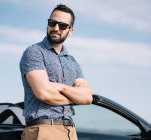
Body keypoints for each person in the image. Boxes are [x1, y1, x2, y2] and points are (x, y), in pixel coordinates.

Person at [20, 4, 93, 140]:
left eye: (62, 25)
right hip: (44, 129)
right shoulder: (34, 52)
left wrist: (59, 86)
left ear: (70, 30)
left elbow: (87, 97)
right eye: (52, 23)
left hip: (70, 131)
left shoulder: (72, 61)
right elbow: (44, 93)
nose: (56, 28)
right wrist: (74, 96)